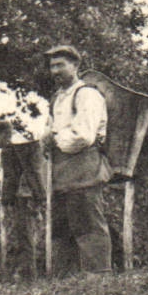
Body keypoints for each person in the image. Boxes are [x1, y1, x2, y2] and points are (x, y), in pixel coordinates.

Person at [41, 46, 114, 275]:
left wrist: (55, 139)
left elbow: (83, 135)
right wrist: (47, 138)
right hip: (62, 171)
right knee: (62, 227)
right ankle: (66, 280)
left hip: (84, 168)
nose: (55, 71)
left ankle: (99, 277)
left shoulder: (86, 95)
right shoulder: (57, 99)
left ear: (75, 65)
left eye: (60, 65)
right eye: (52, 66)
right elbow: (51, 130)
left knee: (88, 223)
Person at [0, 120, 46, 280]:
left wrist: (5, 200)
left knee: (21, 235)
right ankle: (26, 273)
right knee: (26, 234)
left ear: (3, 134)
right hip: (30, 195)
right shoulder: (31, 146)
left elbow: (10, 178)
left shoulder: (11, 150)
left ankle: (25, 274)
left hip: (20, 197)